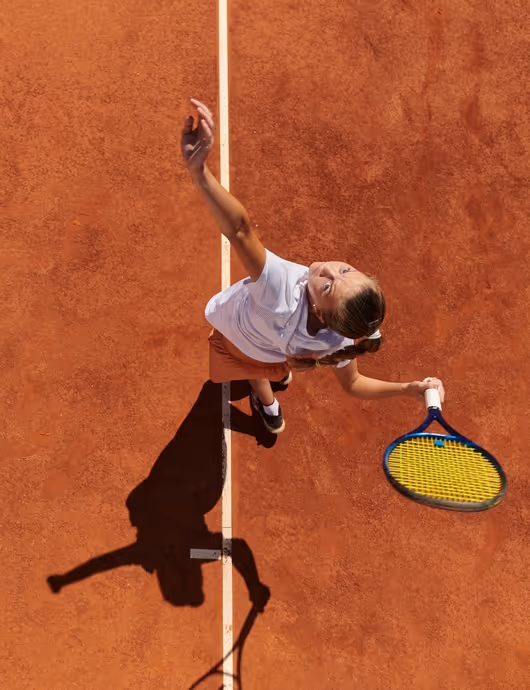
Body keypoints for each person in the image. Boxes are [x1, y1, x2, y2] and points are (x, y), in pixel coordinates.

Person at [181, 99, 445, 434]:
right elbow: (353, 385)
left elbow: (240, 230)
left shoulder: (278, 291)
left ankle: (269, 404)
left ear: (320, 311)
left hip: (239, 341)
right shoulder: (338, 341)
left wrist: (200, 173)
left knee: (250, 364)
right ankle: (270, 409)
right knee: (264, 365)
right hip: (276, 354)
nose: (329, 270)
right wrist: (410, 389)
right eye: (346, 271)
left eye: (329, 286)